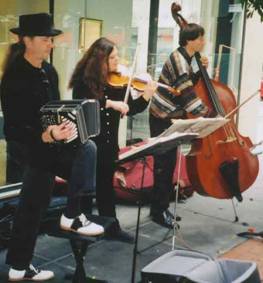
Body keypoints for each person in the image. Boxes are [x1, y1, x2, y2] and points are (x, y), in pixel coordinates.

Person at [0, 13, 104, 282]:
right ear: (27, 40)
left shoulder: (49, 70)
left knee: (87, 149)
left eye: (51, 40)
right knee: (32, 207)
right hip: (27, 150)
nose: (51, 44)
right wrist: (45, 136)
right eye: (46, 39)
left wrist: (67, 127)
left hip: (51, 144)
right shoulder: (13, 78)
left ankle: (72, 214)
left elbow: (54, 110)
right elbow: (13, 128)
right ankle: (19, 268)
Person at [69, 37, 157, 242]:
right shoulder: (85, 81)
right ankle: (82, 229)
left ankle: (111, 228)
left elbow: (129, 108)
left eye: (117, 56)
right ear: (100, 59)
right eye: (113, 57)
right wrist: (111, 104)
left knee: (106, 189)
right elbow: (85, 102)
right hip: (88, 145)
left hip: (108, 146)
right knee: (85, 190)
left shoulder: (117, 81)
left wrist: (146, 96)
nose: (118, 61)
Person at [149, 23, 209, 229]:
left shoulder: (187, 58)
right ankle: (158, 211)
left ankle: (160, 207)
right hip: (162, 116)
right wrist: (207, 114)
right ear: (190, 40)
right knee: (163, 165)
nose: (203, 42)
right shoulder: (179, 60)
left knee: (168, 165)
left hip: (170, 116)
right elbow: (186, 92)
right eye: (201, 38)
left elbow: (186, 83)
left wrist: (201, 73)